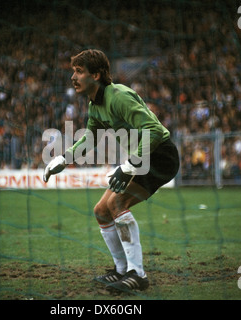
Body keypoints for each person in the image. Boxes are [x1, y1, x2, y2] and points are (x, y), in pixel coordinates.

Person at [43, 49, 179, 292]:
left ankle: (137, 274)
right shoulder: (95, 104)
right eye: (73, 71)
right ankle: (120, 270)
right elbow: (90, 138)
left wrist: (128, 166)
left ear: (96, 75)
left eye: (79, 71)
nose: (73, 77)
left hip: (160, 156)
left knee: (117, 204)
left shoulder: (119, 97)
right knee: (101, 211)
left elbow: (155, 131)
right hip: (142, 159)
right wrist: (63, 159)